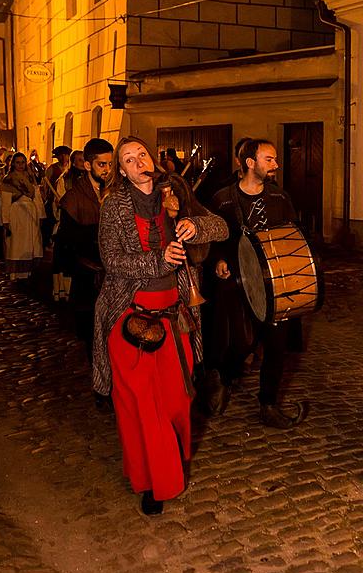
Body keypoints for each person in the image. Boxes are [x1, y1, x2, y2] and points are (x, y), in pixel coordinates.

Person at [92, 136, 228, 515]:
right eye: (128, 159)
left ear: (151, 159)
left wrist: (192, 227)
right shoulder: (113, 206)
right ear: (121, 170)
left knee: (176, 402)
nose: (138, 162)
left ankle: (171, 462)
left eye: (142, 155)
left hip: (175, 318)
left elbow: (220, 227)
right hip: (128, 316)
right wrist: (157, 261)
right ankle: (155, 482)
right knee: (142, 405)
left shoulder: (177, 191)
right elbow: (112, 259)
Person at [204, 138, 308, 429]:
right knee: (242, 341)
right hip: (237, 282)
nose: (275, 165)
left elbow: (292, 236)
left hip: (274, 283)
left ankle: (268, 404)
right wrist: (218, 260)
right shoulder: (222, 199)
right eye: (269, 159)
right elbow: (213, 239)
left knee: (276, 345)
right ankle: (222, 378)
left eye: (274, 159)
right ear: (250, 163)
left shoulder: (279, 198)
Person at [57, 138, 113, 358]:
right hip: (89, 277)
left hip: (117, 277)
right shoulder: (74, 198)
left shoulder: (119, 192)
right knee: (93, 339)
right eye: (102, 164)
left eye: (110, 164)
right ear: (88, 165)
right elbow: (68, 240)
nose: (108, 170)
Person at [0, 152, 46, 281]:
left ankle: (29, 271)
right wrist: (6, 220)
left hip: (31, 213)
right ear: (13, 164)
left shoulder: (31, 178)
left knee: (31, 242)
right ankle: (16, 272)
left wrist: (41, 215)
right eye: (18, 162)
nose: (20, 165)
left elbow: (37, 197)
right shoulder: (8, 179)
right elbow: (5, 202)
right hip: (16, 213)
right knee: (17, 244)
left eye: (23, 162)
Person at [52, 149, 85, 301]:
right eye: (78, 160)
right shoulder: (65, 179)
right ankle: (63, 291)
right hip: (68, 223)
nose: (82, 163)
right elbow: (58, 204)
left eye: (83, 160)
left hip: (84, 223)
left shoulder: (89, 179)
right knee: (65, 259)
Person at [42, 145, 71, 246]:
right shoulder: (52, 169)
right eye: (61, 155)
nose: (63, 158)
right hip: (52, 200)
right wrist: (47, 198)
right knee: (50, 221)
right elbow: (45, 185)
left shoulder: (70, 169)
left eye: (65, 155)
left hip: (67, 200)